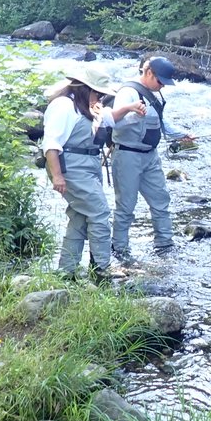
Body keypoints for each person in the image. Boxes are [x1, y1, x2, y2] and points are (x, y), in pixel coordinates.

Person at [41, 62, 137, 284]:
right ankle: (101, 268)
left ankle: (66, 271)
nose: (101, 99)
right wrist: (57, 176)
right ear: (86, 89)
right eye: (99, 94)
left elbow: (110, 118)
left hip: (87, 167)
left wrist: (130, 109)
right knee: (100, 213)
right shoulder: (64, 105)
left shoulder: (86, 106)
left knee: (80, 218)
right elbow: (51, 145)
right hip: (71, 168)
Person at [110, 55, 191, 261]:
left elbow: (162, 124)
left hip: (151, 157)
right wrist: (133, 114)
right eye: (160, 80)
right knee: (126, 206)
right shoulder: (128, 92)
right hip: (127, 155)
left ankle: (165, 245)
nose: (162, 85)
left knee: (161, 200)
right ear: (148, 72)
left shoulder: (155, 94)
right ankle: (120, 250)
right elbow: (112, 123)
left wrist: (182, 134)